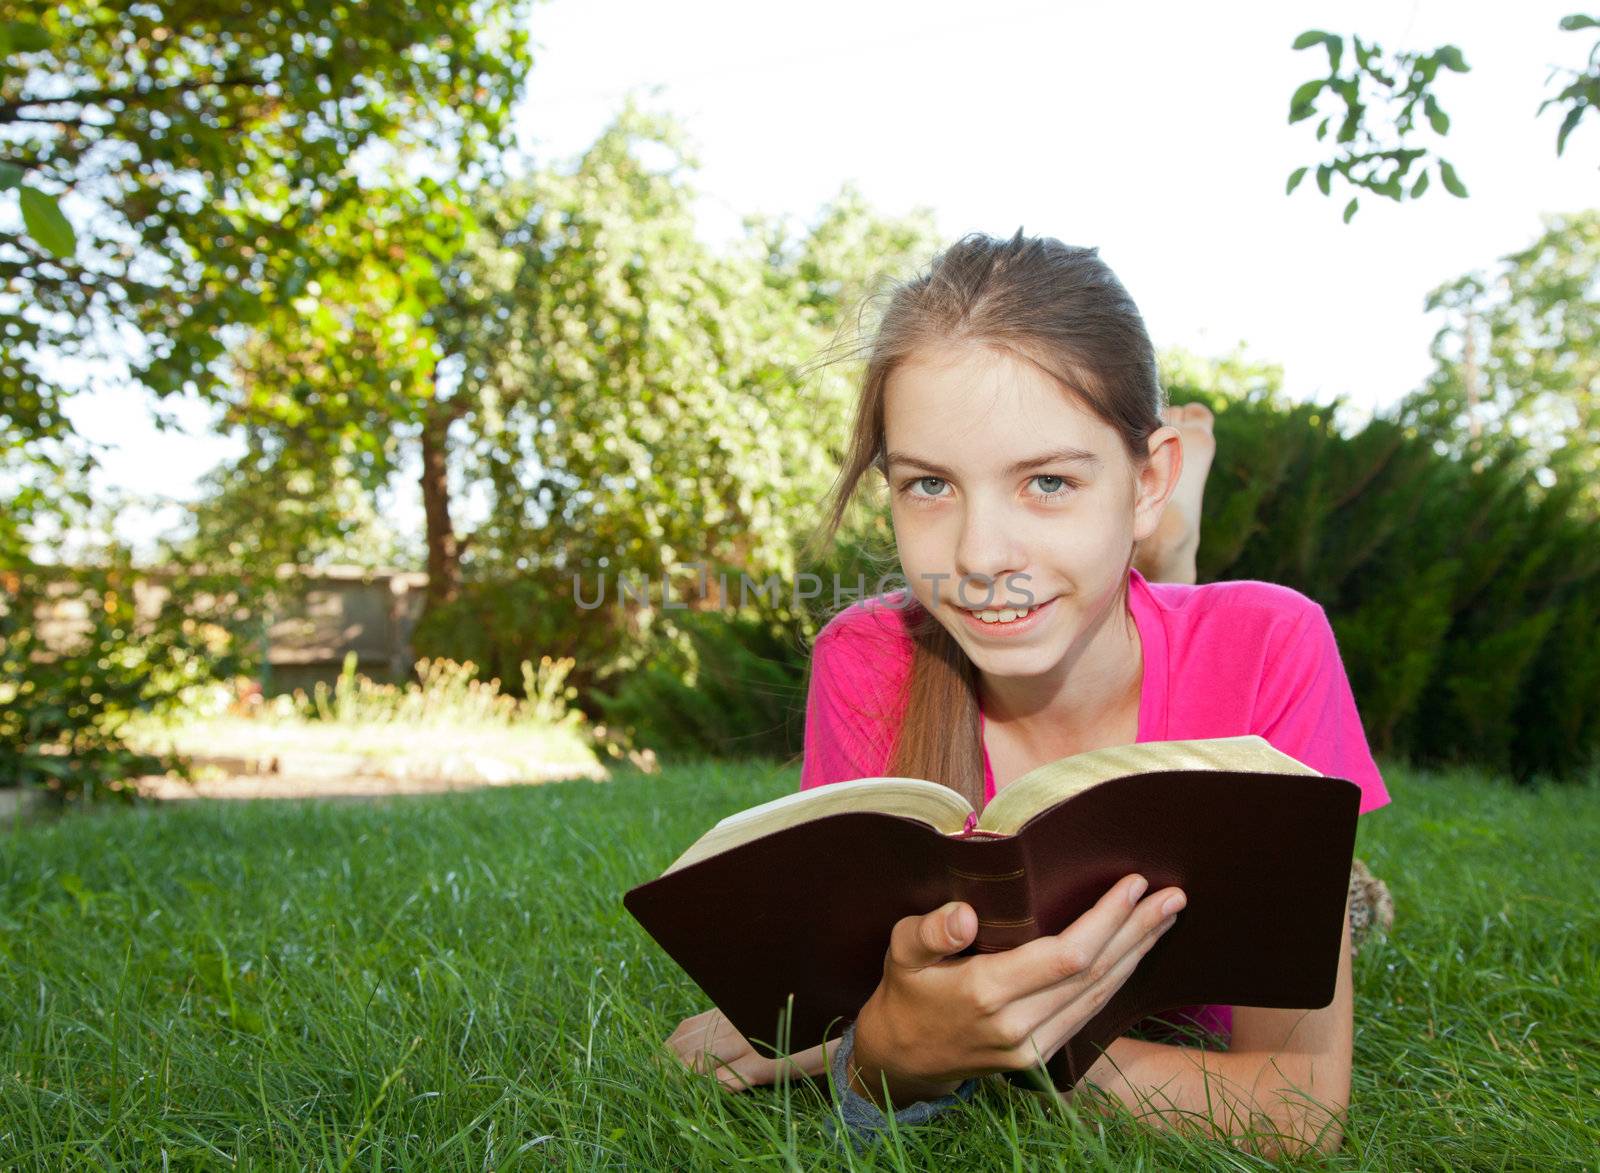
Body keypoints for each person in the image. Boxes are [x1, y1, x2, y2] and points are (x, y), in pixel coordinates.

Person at [664, 231, 1391, 1157]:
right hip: (1094, 575)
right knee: (1072, 586)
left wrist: (984, 1044)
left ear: (1145, 476)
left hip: (1171, 604)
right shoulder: (865, 656)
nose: (977, 556)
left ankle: (1167, 551)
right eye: (929, 484)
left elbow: (1296, 1110)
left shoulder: (1273, 646)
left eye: (1047, 480)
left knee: (1356, 900)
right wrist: (879, 1047)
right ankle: (1148, 553)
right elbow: (853, 1008)